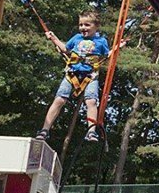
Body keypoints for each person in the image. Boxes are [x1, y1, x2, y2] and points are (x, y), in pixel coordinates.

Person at [35, 10, 110, 143]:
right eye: (81, 25)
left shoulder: (101, 41)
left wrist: (119, 46)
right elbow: (65, 49)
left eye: (87, 25)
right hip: (72, 73)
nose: (83, 28)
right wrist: (53, 38)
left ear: (96, 26)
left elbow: (108, 55)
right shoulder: (76, 38)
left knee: (91, 102)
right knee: (59, 100)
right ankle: (45, 130)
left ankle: (91, 132)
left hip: (90, 75)